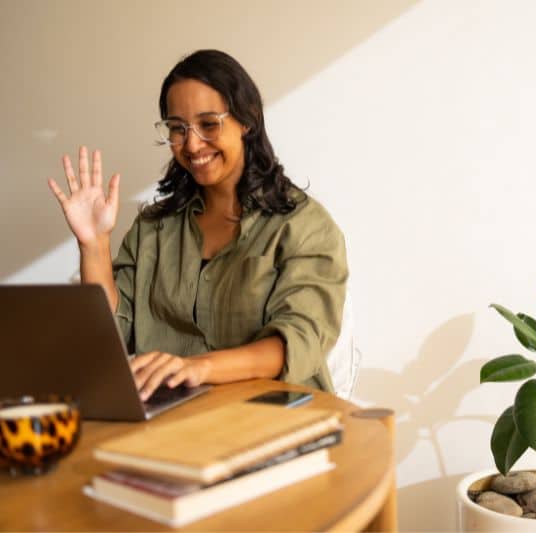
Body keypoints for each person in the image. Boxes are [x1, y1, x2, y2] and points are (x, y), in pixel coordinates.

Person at [48, 50, 347, 399]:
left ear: (246, 120)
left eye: (208, 124)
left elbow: (298, 341)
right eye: (178, 129)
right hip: (169, 416)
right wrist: (94, 244)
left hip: (270, 419)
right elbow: (111, 336)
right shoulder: (153, 228)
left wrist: (197, 367)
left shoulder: (303, 226)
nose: (191, 144)